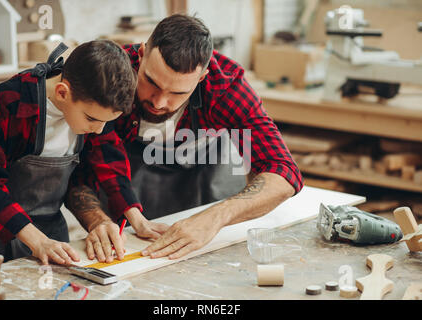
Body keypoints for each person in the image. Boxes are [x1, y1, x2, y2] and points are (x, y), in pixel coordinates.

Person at [67, 14, 303, 262]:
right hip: (125, 221)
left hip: (202, 208)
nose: (159, 102)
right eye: (151, 82)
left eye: (177, 92)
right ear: (141, 55)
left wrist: (214, 218)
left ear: (201, 78)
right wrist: (97, 220)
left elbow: (284, 171)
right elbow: (74, 167)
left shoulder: (224, 88)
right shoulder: (109, 75)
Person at [0, 40, 139, 271]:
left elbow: (103, 165)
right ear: (62, 93)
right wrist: (37, 241)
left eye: (106, 122)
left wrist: (117, 218)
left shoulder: (96, 110)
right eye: (92, 120)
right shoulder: (10, 101)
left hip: (51, 234)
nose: (99, 130)